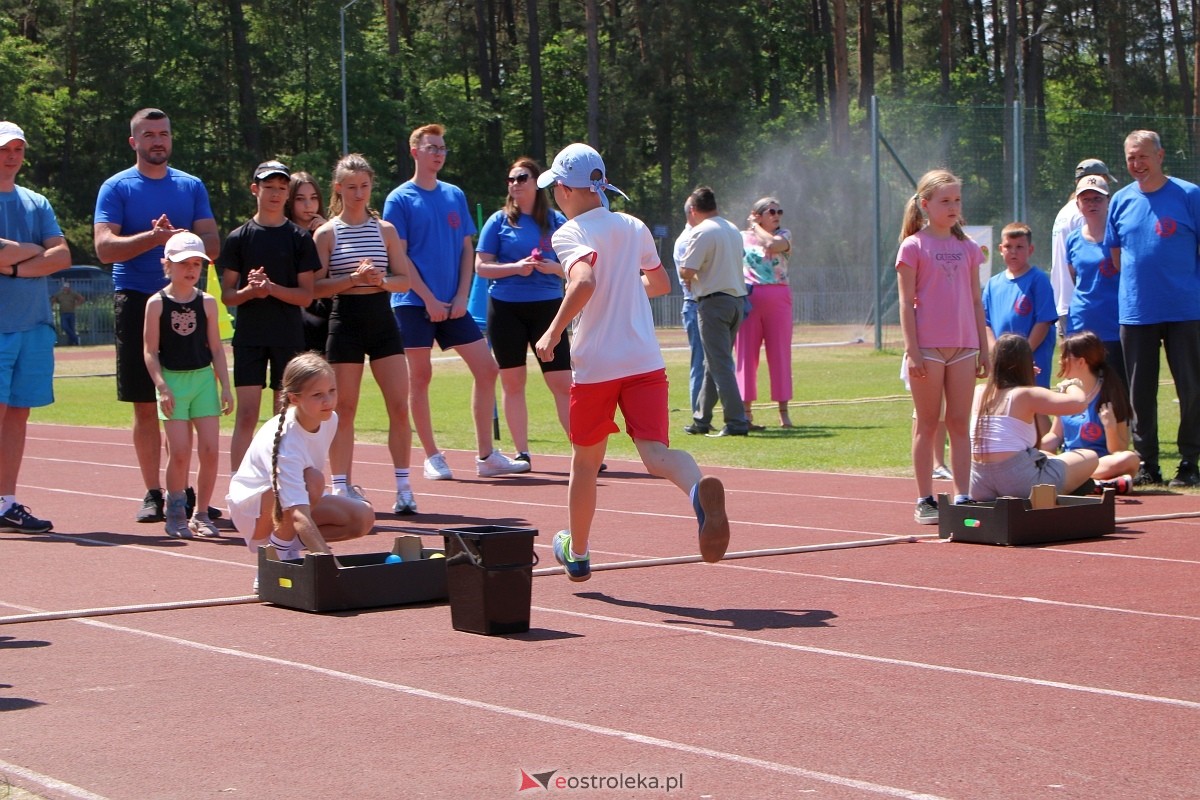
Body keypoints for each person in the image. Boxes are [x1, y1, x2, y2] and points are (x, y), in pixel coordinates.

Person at [533, 142, 731, 581]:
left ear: (566, 190)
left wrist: (551, 332)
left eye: (556, 190)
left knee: (585, 462)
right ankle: (698, 491)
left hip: (597, 365)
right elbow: (659, 283)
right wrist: (623, 291)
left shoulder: (567, 234)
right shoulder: (632, 224)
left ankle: (578, 552)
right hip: (643, 359)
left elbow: (583, 280)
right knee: (656, 454)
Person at [93, 108, 221, 523]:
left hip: (185, 302)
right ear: (134, 142)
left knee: (184, 401)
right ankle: (154, 492)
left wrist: (180, 240)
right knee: (146, 403)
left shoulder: (191, 185)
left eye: (163, 133)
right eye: (148, 135)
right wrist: (153, 238)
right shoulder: (116, 187)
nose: (157, 141)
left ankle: (185, 491)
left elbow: (212, 244)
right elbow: (104, 248)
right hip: (135, 297)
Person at [383, 123, 529, 480]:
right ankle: (432, 455)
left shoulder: (454, 195)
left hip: (454, 304)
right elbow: (399, 257)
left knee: (487, 368)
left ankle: (486, 456)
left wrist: (462, 294)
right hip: (413, 303)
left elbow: (467, 249)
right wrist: (429, 298)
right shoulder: (399, 198)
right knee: (421, 376)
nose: (438, 154)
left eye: (443, 148)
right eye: (431, 147)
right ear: (414, 151)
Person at [312, 153, 418, 514]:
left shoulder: (384, 230)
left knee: (399, 405)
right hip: (345, 321)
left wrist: (380, 280)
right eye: (352, 187)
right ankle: (340, 485)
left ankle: (404, 487)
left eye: (365, 186)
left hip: (382, 320)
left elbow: (403, 278)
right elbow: (315, 287)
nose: (359, 194)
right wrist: (352, 280)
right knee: (343, 407)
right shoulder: (326, 233)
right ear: (338, 188)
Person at [1105, 129, 1200, 488]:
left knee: (1191, 388)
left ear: (1160, 156)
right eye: (1130, 157)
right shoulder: (1120, 200)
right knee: (1139, 394)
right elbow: (1116, 256)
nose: (1136, 164)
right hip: (1137, 311)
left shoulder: (1190, 195)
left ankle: (1189, 462)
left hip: (1185, 311)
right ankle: (1147, 464)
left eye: (1143, 156)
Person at [226, 352, 374, 583]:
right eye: (317, 395)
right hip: (253, 511)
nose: (328, 401)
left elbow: (299, 508)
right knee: (313, 481)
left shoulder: (330, 419)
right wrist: (331, 567)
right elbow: (297, 512)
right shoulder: (286, 440)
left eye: (332, 391)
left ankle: (282, 546)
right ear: (294, 399)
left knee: (362, 517)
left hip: (294, 499)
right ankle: (271, 562)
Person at [896, 169, 989, 524]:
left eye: (957, 200)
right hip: (928, 348)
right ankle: (925, 498)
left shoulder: (967, 248)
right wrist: (913, 350)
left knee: (959, 423)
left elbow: (976, 302)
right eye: (945, 201)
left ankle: (963, 494)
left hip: (964, 346)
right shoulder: (914, 246)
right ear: (925, 205)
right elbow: (905, 303)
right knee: (928, 423)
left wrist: (984, 347)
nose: (953, 207)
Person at [218, 160, 318, 471]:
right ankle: (239, 486)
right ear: (254, 189)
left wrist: (272, 288)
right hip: (250, 335)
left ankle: (281, 483)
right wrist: (252, 292)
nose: (275, 194)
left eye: (281, 188)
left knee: (283, 416)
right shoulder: (239, 237)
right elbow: (227, 294)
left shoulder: (298, 238)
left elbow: (306, 294)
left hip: (287, 335)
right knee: (247, 415)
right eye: (268, 188)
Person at [474, 157, 571, 466]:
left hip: (548, 308)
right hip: (505, 310)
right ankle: (522, 453)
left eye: (521, 178)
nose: (514, 184)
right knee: (513, 383)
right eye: (511, 179)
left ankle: (583, 449)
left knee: (562, 383)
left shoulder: (556, 221)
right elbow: (481, 267)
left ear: (537, 182)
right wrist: (517, 267)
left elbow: (576, 267)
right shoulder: (499, 221)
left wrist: (551, 267)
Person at [0, 120, 70, 534]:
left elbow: (60, 255)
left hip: (34, 325)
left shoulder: (36, 202)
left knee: (18, 416)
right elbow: (45, 253)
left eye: (17, 149)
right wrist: (34, 256)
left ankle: (6, 500)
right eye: (5, 149)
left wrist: (14, 265)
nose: (11, 156)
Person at [143, 231, 233, 537]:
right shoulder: (156, 304)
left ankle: (203, 514)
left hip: (203, 380)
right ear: (167, 264)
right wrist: (162, 386)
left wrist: (225, 386)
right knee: (179, 452)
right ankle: (176, 510)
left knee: (210, 450)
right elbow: (150, 351)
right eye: (184, 263)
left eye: (197, 263)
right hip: (173, 382)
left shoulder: (207, 302)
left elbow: (217, 349)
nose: (191, 270)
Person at [970, 334, 1096, 501]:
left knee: (1045, 454)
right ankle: (1065, 489)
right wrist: (1072, 384)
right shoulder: (1026, 394)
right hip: (1019, 483)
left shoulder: (980, 392)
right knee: (1090, 457)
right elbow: (1079, 403)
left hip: (977, 482)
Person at [679, 185, 750, 438]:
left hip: (713, 303)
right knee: (714, 361)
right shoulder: (732, 229)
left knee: (720, 364)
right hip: (736, 302)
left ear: (694, 210)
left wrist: (688, 275)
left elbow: (686, 270)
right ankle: (701, 419)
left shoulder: (701, 232)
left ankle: (736, 421)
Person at [1039, 331, 1139, 493]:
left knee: (1130, 459)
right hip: (1070, 462)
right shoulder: (1067, 393)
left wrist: (1110, 427)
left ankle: (1079, 481)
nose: (1060, 360)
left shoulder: (1110, 393)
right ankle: (1096, 484)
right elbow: (1055, 436)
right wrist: (1032, 450)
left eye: (1065, 356)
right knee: (1039, 456)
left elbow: (1118, 449)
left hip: (1100, 463)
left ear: (1081, 362)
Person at [735, 196, 794, 429]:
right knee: (746, 356)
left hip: (778, 297)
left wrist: (756, 226)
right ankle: (746, 412)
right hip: (749, 297)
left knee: (779, 354)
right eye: (771, 211)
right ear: (758, 214)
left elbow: (772, 245)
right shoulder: (740, 238)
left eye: (779, 211)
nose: (777, 215)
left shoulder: (784, 235)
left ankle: (784, 412)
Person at [1063, 174, 1126, 388]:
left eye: (1097, 199)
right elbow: (1074, 275)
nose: (1092, 204)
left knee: (1118, 390)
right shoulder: (1072, 239)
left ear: (1108, 201)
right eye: (1086, 199)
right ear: (1078, 204)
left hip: (1115, 325)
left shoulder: (1120, 235)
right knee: (1083, 390)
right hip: (1082, 324)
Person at [982, 223, 1057, 389]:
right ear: (1000, 249)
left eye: (1020, 247)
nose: (1013, 252)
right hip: (1002, 361)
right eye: (1008, 246)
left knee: (1035, 408)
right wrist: (996, 353)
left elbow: (1043, 322)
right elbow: (985, 324)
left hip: (1032, 357)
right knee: (1005, 406)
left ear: (1030, 250)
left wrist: (1023, 355)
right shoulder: (992, 284)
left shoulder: (1038, 280)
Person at [1050, 158, 1116, 335]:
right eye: (1106, 179)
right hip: (1082, 304)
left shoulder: (1064, 211)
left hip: (1065, 300)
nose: (1092, 203)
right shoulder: (1082, 216)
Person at [285, 171, 332, 354]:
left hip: (327, 315)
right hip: (294, 316)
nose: (308, 205)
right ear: (289, 201)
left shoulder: (328, 232)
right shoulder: (284, 235)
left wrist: (325, 233)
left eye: (313, 198)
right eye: (300, 199)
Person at [672, 198, 703, 417]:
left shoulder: (700, 237)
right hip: (695, 304)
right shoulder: (687, 240)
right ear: (693, 212)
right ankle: (698, 413)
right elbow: (690, 277)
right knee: (700, 362)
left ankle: (704, 412)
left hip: (702, 304)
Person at [51, 280, 86, 346]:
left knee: (71, 328)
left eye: (67, 287)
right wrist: (52, 305)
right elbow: (53, 299)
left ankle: (72, 343)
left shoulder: (73, 293)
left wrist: (77, 304)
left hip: (71, 313)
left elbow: (82, 299)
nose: (66, 288)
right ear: (63, 287)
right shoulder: (59, 294)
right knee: (65, 326)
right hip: (63, 313)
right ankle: (76, 339)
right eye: (65, 287)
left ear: (69, 288)